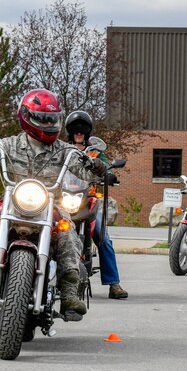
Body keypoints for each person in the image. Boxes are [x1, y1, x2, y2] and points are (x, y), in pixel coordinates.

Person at [0, 89, 107, 321]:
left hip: (49, 207)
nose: (48, 124)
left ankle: (69, 294)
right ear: (26, 116)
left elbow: (84, 170)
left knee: (67, 230)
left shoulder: (66, 151)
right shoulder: (7, 145)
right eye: (43, 119)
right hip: (12, 203)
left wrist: (97, 167)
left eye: (52, 119)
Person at [65, 111, 128, 299]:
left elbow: (105, 165)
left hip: (89, 199)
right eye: (75, 129)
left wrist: (109, 174)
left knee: (102, 237)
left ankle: (114, 284)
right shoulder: (63, 150)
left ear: (87, 132)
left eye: (82, 129)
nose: (79, 132)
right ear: (70, 132)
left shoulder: (95, 151)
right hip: (64, 199)